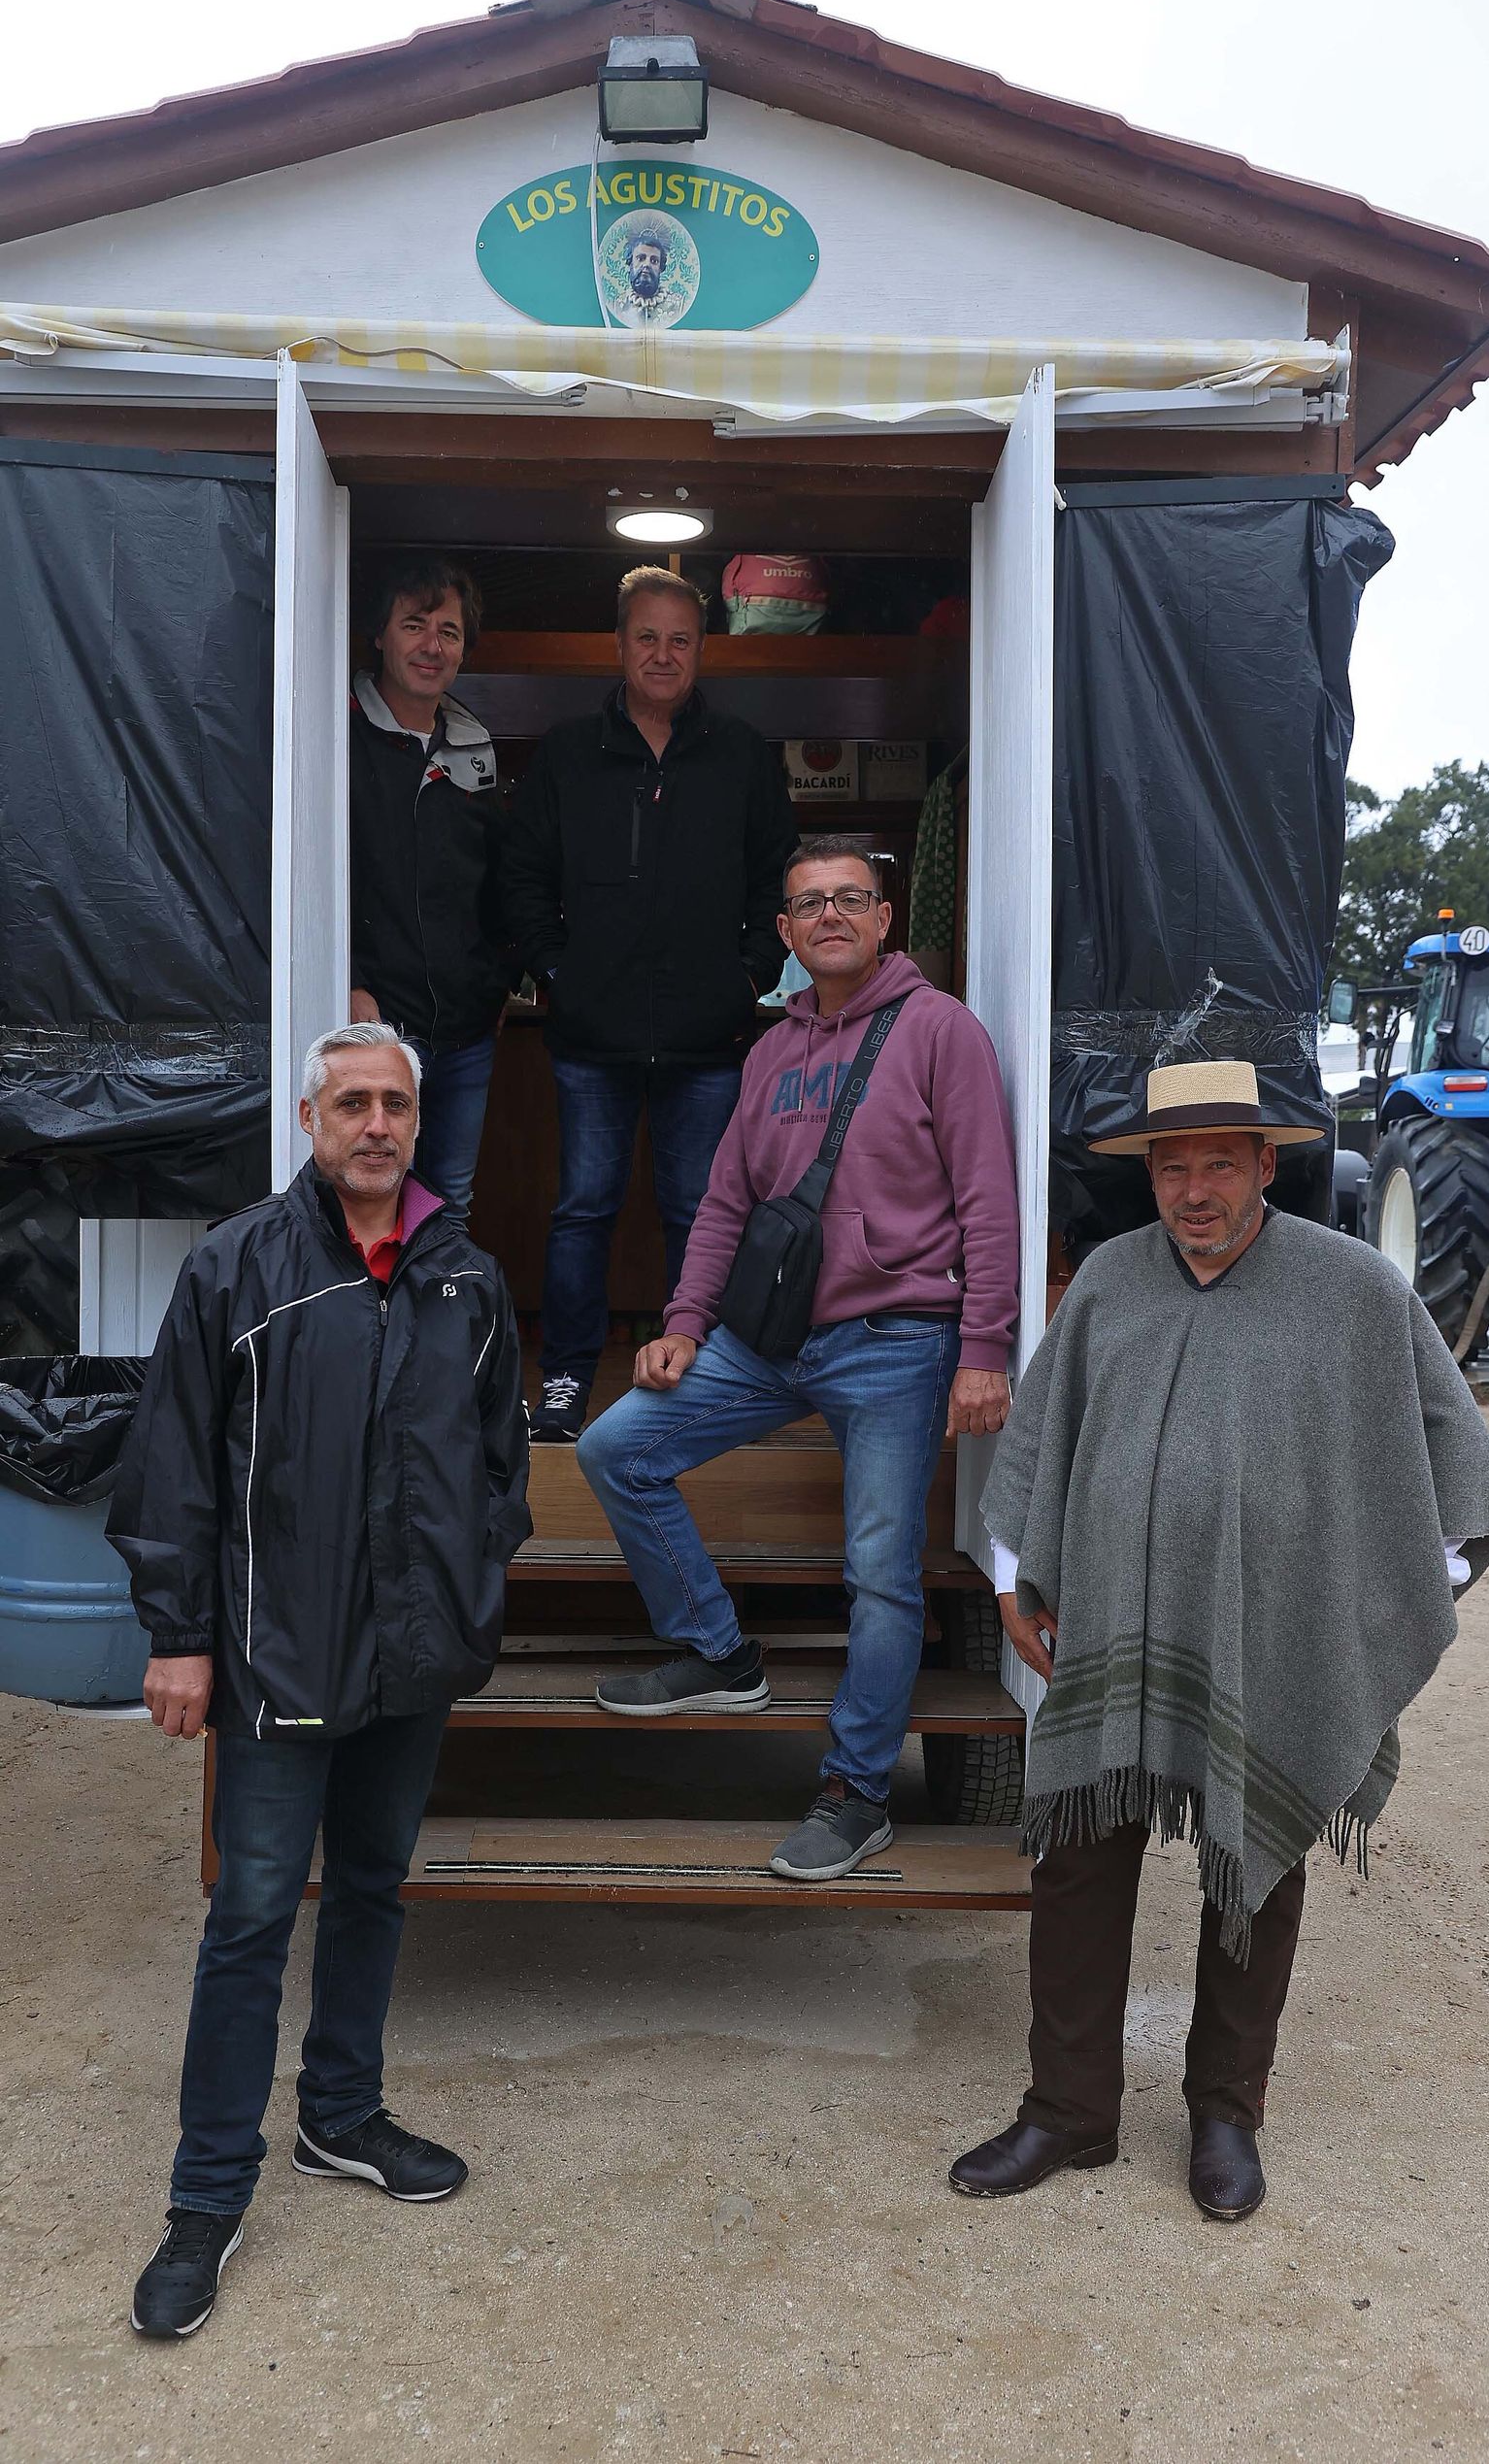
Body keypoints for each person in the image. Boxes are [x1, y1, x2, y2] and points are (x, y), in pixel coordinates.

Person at [949, 1058, 1489, 2221]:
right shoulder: (1109, 1281)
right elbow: (1047, 1439)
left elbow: (1459, 1470)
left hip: (1267, 1633)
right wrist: (1017, 1577)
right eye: (1173, 1163)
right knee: (1075, 1853)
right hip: (1107, 1619)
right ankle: (1067, 2110)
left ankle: (1225, 2111)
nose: (1195, 1187)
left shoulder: (1353, 1289)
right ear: (1149, 1173)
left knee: (1250, 1852)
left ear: (1269, 1164)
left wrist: (1385, 1594)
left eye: (1221, 1160)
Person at [107, 1022, 530, 2340]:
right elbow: (173, 1464)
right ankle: (206, 2195)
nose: (376, 1123)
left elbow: (501, 1465)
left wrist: (469, 1587)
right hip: (277, 1650)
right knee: (247, 1919)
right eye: (352, 1101)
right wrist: (179, 1634)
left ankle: (340, 2118)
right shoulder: (242, 1267)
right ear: (308, 1119)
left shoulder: (466, 1276)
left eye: (396, 1102)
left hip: (411, 1656)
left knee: (370, 1889)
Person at [578, 838, 1020, 1881]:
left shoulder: (939, 1031)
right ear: (782, 932)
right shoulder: (769, 1051)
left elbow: (987, 1201)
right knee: (615, 1448)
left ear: (883, 919)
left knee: (878, 1572)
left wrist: (984, 1348)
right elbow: (727, 1199)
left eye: (848, 900)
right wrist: (684, 1319)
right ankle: (721, 1652)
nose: (828, 916)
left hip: (896, 1342)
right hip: (768, 1341)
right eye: (806, 903)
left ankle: (856, 1789)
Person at [510, 565, 798, 1441]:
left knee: (700, 1212)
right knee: (581, 1209)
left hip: (709, 1037)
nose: (663, 654)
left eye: (681, 639)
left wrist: (747, 976)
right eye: (647, 637)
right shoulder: (566, 752)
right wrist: (558, 973)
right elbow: (521, 879)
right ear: (619, 645)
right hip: (588, 1034)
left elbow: (773, 882)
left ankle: (696, 1371)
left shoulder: (745, 754)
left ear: (703, 650)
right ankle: (563, 1381)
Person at [349, 555, 517, 1218]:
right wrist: (349, 978)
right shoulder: (336, 735)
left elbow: (499, 878)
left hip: (467, 1031)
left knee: (449, 1206)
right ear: (380, 635)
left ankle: (434, 1326)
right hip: (377, 1024)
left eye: (448, 631)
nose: (431, 645)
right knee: (371, 1201)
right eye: (414, 625)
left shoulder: (474, 746)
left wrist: (499, 978)